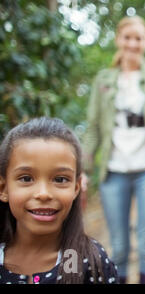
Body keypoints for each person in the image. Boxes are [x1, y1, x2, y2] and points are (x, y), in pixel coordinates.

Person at [82, 15, 145, 284]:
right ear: (118, 39)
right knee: (119, 247)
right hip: (114, 170)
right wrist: (83, 169)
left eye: (139, 38)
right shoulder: (104, 79)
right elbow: (93, 127)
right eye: (128, 37)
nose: (133, 44)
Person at [0, 117, 118, 284]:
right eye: (26, 178)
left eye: (60, 180)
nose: (43, 194)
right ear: (3, 188)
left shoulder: (89, 263)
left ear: (76, 188)